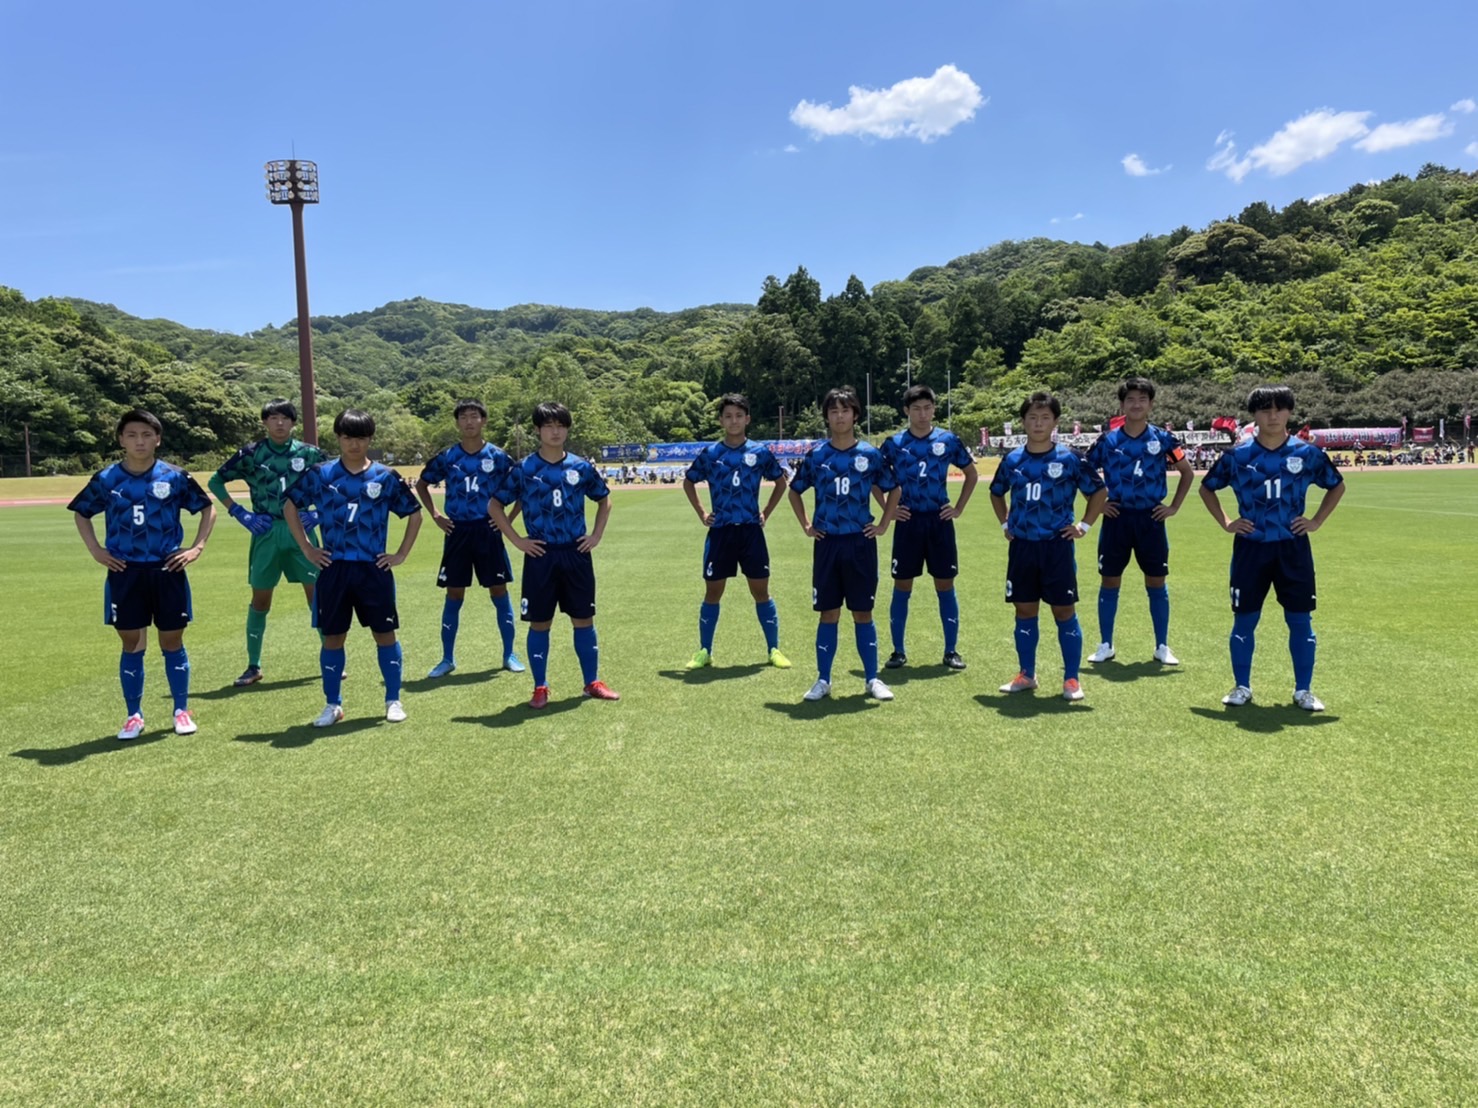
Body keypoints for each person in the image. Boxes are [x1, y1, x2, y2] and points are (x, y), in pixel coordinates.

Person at [69, 409, 216, 739]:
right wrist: (95, 550)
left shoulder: (174, 476)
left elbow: (208, 508)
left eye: (147, 435)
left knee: (172, 640)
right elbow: (82, 513)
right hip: (125, 571)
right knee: (132, 642)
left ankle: (181, 710)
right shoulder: (107, 479)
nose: (139, 441)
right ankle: (133, 715)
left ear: (157, 439)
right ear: (121, 439)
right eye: (132, 435)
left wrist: (196, 547)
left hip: (167, 569)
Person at [1199, 385, 1345, 710]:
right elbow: (1207, 488)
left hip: (1293, 548)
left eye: (1280, 409)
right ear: (1255, 415)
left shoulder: (1307, 453)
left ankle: (1303, 690)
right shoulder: (1237, 456)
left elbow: (1336, 486)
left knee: (1300, 620)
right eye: (1265, 410)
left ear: (1289, 412)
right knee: (1244, 620)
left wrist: (1316, 521)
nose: (1273, 416)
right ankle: (1241, 687)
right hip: (1251, 548)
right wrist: (1227, 522)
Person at [284, 409, 423, 726]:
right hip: (334, 568)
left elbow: (414, 514)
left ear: (370, 439)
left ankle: (393, 700)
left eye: (361, 438)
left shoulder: (385, 476)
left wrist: (400, 554)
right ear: (339, 438)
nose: (354, 444)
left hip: (373, 568)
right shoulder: (320, 473)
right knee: (333, 637)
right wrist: (307, 548)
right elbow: (290, 505)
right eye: (348, 437)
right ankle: (333, 705)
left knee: (385, 634)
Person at [488, 402, 619, 708]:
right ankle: (540, 687)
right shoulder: (523, 469)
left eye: (560, 425)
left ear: (567, 429)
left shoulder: (581, 467)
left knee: (583, 619)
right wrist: (518, 540)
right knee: (540, 622)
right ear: (538, 430)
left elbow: (604, 499)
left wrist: (596, 535)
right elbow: (495, 505)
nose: (555, 431)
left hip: (575, 553)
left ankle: (592, 682)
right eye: (548, 426)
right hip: (540, 555)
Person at [988, 392, 1106, 701]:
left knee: (1064, 610)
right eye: (1032, 417)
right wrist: (1005, 524)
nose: (1038, 423)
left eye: (1045, 418)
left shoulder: (1070, 458)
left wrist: (1083, 525)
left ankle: (1072, 679)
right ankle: (1027, 674)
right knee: (1024, 609)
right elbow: (996, 492)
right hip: (1023, 547)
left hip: (1057, 546)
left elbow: (1098, 491)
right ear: (1023, 422)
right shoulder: (1012, 460)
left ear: (1055, 422)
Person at [787, 386, 899, 702]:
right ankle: (823, 680)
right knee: (828, 613)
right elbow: (794, 491)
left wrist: (884, 523)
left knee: (863, 612)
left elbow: (894, 489)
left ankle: (872, 678)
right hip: (827, 543)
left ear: (855, 415)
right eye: (833, 411)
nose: (839, 416)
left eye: (845, 410)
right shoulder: (817, 456)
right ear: (826, 417)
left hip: (860, 542)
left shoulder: (870, 454)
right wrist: (807, 525)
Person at [208, 398, 327, 687]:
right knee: (261, 599)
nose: (279, 423)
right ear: (264, 422)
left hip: (301, 532)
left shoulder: (310, 454)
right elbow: (215, 481)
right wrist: (240, 513)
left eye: (285, 418)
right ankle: (253, 665)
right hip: (266, 531)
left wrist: (318, 514)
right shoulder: (251, 454)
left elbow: (335, 485)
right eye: (273, 418)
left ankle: (331, 657)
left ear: (294, 422)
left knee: (317, 596)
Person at [1083, 377, 1194, 667]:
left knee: (1156, 580)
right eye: (1130, 399)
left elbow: (1187, 471)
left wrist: (1174, 507)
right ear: (1122, 405)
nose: (1136, 404)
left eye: (1142, 399)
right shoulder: (1108, 441)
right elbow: (1083, 472)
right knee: (1110, 579)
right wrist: (1099, 504)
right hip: (1117, 518)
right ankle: (1105, 644)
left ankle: (1162, 646)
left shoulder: (1164, 439)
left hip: (1151, 519)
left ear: (1151, 404)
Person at [413, 399, 525, 678]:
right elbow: (422, 484)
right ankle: (447, 659)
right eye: (463, 417)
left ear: (483, 420)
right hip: (458, 531)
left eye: (474, 416)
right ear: (457, 423)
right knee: (454, 594)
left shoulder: (498, 456)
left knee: (499, 591)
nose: (469, 422)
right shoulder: (448, 456)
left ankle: (509, 654)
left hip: (488, 531)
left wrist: (506, 520)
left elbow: (522, 488)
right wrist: (436, 514)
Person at [681, 393, 792, 671]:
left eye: (739, 416)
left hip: (751, 532)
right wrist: (702, 513)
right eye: (728, 416)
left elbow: (780, 483)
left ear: (747, 419)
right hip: (721, 532)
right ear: (721, 420)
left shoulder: (760, 452)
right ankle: (705, 651)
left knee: (761, 591)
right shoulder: (711, 454)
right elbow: (689, 482)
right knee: (713, 592)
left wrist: (765, 512)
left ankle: (774, 649)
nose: (734, 421)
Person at [879, 384, 979, 671]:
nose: (922, 414)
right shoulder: (894, 443)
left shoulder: (948, 440)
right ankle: (898, 651)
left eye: (927, 408)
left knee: (945, 585)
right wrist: (889, 509)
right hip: (908, 522)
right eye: (916, 409)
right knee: (902, 585)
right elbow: (875, 477)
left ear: (934, 409)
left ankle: (951, 651)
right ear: (906, 411)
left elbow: (971, 474)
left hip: (939, 521)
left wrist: (958, 508)